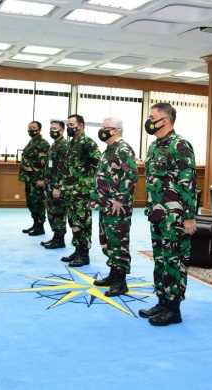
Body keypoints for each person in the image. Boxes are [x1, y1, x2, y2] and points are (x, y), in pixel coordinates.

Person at [139, 102, 197, 326]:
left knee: (174, 259)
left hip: (175, 215)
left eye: (152, 117)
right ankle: (162, 301)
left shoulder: (180, 145)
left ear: (166, 120)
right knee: (161, 259)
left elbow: (188, 183)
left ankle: (173, 309)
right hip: (157, 214)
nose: (149, 121)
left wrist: (189, 216)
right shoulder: (154, 146)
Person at [91, 117, 138, 296]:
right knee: (108, 241)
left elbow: (131, 175)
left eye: (105, 128)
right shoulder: (109, 149)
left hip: (118, 206)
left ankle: (120, 282)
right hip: (106, 204)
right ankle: (113, 274)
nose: (102, 130)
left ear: (116, 130)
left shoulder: (123, 149)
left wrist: (119, 198)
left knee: (118, 242)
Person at [59, 114, 100, 267]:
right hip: (70, 190)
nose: (69, 127)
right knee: (73, 221)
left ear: (81, 125)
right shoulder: (71, 144)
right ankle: (77, 250)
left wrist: (87, 182)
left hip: (82, 192)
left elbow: (98, 164)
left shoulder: (88, 143)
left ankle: (84, 254)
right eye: (68, 124)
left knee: (83, 222)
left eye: (72, 124)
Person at [41, 120, 69, 249]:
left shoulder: (63, 145)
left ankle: (59, 239)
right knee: (52, 212)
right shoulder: (55, 144)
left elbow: (64, 168)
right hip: (50, 184)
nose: (52, 130)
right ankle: (55, 237)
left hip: (57, 186)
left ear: (62, 130)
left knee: (58, 213)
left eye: (55, 128)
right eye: (51, 128)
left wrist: (58, 187)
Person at [18, 121, 49, 237]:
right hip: (29, 178)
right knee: (31, 202)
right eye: (29, 128)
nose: (31, 130)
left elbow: (44, 163)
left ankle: (40, 227)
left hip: (37, 179)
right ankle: (35, 223)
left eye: (34, 128)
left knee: (38, 203)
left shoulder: (43, 143)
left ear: (40, 129)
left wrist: (42, 179)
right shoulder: (32, 141)